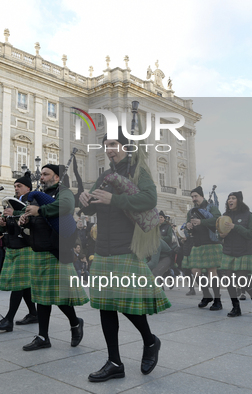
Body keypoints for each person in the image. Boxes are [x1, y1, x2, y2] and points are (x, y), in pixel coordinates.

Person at [79, 134, 170, 382]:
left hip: (125, 247)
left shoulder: (137, 171)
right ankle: (114, 362)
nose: (109, 150)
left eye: (113, 146)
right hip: (103, 249)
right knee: (106, 306)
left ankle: (150, 342)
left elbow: (150, 199)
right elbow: (93, 206)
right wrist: (85, 201)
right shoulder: (105, 175)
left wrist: (115, 199)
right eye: (106, 146)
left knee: (127, 304)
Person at [19, 164, 89, 351]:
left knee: (61, 297)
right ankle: (43, 337)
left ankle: (75, 323)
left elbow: (66, 206)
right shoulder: (37, 196)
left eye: (45, 174)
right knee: (42, 297)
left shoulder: (63, 191)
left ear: (56, 177)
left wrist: (39, 211)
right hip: (39, 250)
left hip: (56, 251)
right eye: (40, 174)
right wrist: (25, 219)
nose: (41, 177)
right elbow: (35, 219)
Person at [0, 173, 38, 332]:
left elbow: (33, 220)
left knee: (18, 284)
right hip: (12, 246)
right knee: (23, 285)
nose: (16, 188)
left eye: (19, 186)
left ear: (28, 188)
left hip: (25, 247)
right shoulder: (12, 203)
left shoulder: (33, 200)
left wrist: (14, 215)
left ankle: (9, 319)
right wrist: (3, 223)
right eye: (15, 186)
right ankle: (33, 313)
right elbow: (4, 229)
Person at [218, 191, 252, 317]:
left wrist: (235, 227)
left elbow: (251, 234)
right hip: (228, 251)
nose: (230, 200)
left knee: (242, 280)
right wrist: (221, 235)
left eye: (233, 198)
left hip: (243, 251)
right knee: (229, 281)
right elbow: (219, 233)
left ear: (239, 200)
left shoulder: (248, 215)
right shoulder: (225, 215)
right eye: (228, 198)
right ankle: (235, 307)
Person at [183, 186, 222, 310]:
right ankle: (206, 295)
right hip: (197, 243)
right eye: (192, 197)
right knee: (195, 271)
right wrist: (188, 226)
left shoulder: (211, 207)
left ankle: (217, 300)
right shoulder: (191, 211)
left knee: (212, 272)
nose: (194, 199)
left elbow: (218, 221)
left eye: (196, 196)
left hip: (211, 242)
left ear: (202, 196)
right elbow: (188, 225)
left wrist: (202, 222)